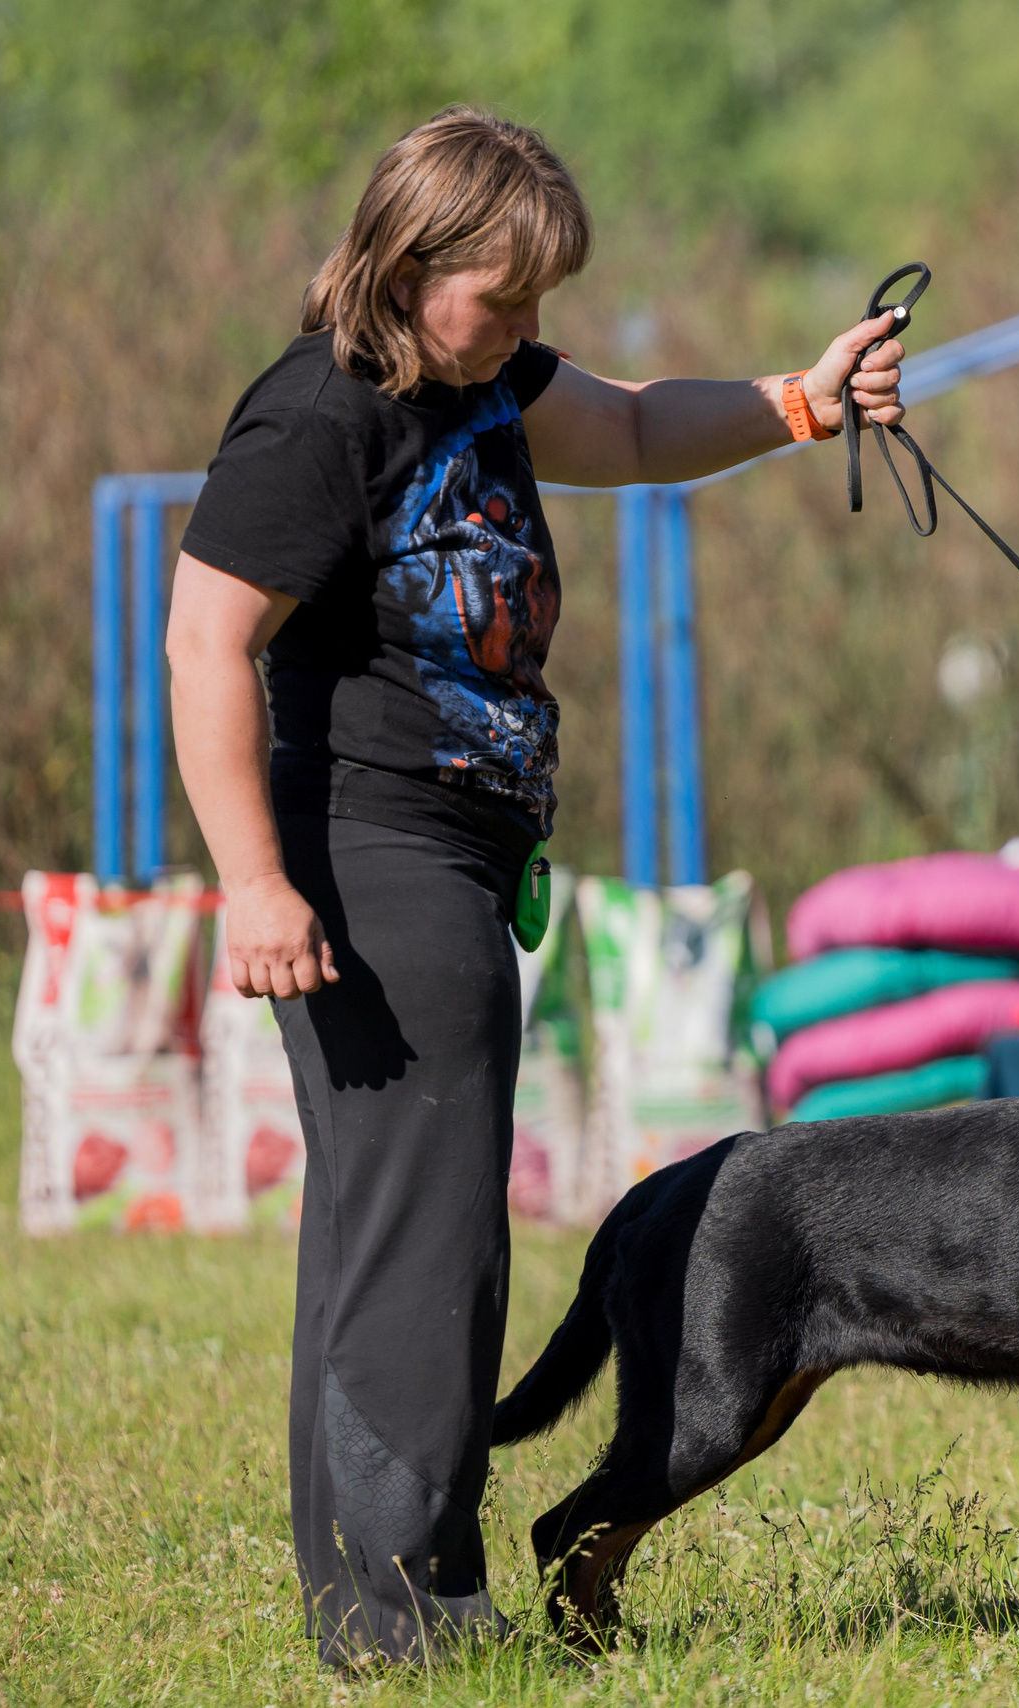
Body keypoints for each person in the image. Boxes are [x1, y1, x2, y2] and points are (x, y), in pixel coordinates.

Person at [165, 107, 906, 1666]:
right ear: (404, 258)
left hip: (452, 850)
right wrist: (252, 881)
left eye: (538, 302)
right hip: (369, 851)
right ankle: (408, 1623)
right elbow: (202, 641)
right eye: (499, 296)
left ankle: (366, 1609)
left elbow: (632, 432)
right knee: (431, 1242)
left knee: (395, 1227)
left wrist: (795, 401)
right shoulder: (323, 414)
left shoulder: (478, 380)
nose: (523, 330)